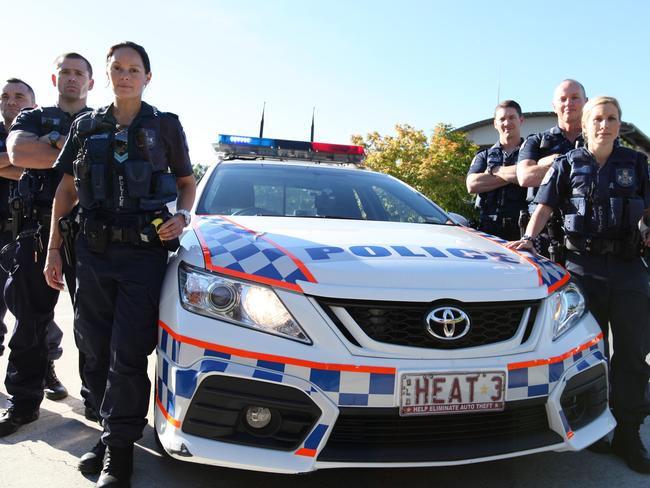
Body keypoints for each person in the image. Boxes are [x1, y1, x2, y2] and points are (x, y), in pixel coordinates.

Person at [45, 41, 196, 487]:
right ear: (107, 75)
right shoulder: (86, 126)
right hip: (91, 253)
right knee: (92, 348)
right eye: (117, 68)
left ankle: (120, 452)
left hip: (143, 254)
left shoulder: (164, 126)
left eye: (134, 69)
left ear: (148, 77)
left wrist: (182, 218)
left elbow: (186, 184)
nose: (125, 75)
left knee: (127, 353)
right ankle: (107, 433)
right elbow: (66, 192)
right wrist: (54, 249)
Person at [508, 96, 650, 474]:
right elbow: (544, 206)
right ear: (585, 126)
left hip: (627, 267)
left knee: (634, 354)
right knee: (589, 352)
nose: (605, 125)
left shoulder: (637, 163)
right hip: (582, 267)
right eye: (598, 119)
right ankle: (594, 423)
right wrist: (528, 238)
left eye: (612, 118)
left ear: (620, 124)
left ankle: (629, 432)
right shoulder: (568, 164)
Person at [0, 54, 94, 437]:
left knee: (92, 325)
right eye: (66, 72)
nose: (72, 78)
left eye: (79, 73)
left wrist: (53, 149)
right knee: (30, 323)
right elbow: (20, 154)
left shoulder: (102, 121)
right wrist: (71, 149)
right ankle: (23, 404)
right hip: (36, 235)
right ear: (56, 77)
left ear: (90, 81)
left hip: (88, 236)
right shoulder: (32, 118)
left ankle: (96, 401)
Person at [516, 79, 587, 261]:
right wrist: (563, 165)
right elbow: (525, 177)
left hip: (586, 231)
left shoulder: (598, 142)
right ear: (554, 106)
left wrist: (545, 165)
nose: (568, 103)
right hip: (542, 232)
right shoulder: (536, 141)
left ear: (586, 102)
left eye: (574, 98)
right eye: (562, 99)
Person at [466, 100, 527, 240]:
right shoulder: (484, 155)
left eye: (512, 117)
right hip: (488, 229)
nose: (507, 123)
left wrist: (495, 170)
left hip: (522, 229)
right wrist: (515, 174)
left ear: (521, 120)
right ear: (495, 124)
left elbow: (530, 175)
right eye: (502, 119)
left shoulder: (531, 152)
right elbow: (472, 184)